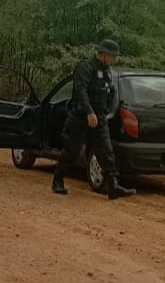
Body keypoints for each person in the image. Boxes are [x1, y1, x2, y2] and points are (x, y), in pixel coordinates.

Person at [51, 39, 136, 200]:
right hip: (81, 116)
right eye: (112, 56)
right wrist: (89, 112)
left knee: (106, 150)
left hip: (100, 117)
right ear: (104, 54)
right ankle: (58, 180)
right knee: (72, 150)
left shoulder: (107, 71)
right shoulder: (86, 67)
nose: (114, 60)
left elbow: (109, 93)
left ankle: (113, 185)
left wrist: (105, 112)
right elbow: (81, 91)